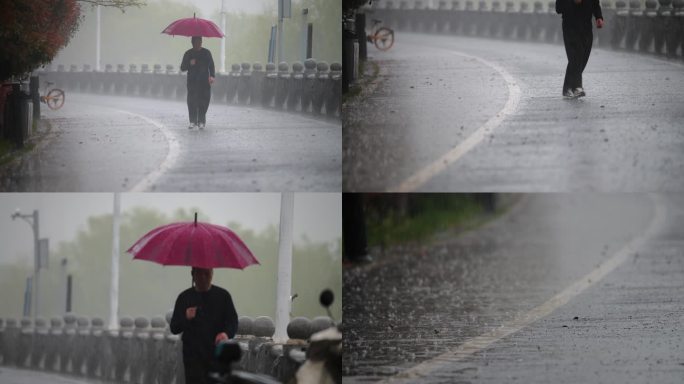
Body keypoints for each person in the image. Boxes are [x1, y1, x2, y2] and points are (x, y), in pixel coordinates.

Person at [171, 267, 238, 384]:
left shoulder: (223, 296)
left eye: (206, 274)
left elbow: (232, 321)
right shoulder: (184, 298)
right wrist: (186, 317)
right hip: (192, 357)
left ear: (212, 274)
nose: (203, 277)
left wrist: (226, 334)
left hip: (217, 354)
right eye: (199, 273)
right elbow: (174, 327)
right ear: (193, 274)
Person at [556, 0, 604, 98]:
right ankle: (577, 87)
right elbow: (558, 9)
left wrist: (598, 17)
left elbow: (595, 4)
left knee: (583, 57)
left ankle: (567, 88)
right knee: (576, 55)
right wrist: (573, 2)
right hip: (570, 26)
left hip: (586, 26)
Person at [180, 36, 215, 129]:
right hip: (192, 82)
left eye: (200, 42)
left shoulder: (206, 53)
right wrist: (189, 63)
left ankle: (201, 121)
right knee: (192, 101)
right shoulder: (188, 53)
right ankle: (192, 121)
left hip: (204, 82)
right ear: (192, 43)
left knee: (204, 101)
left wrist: (212, 76)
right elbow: (182, 68)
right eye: (196, 42)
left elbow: (211, 65)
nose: (198, 44)